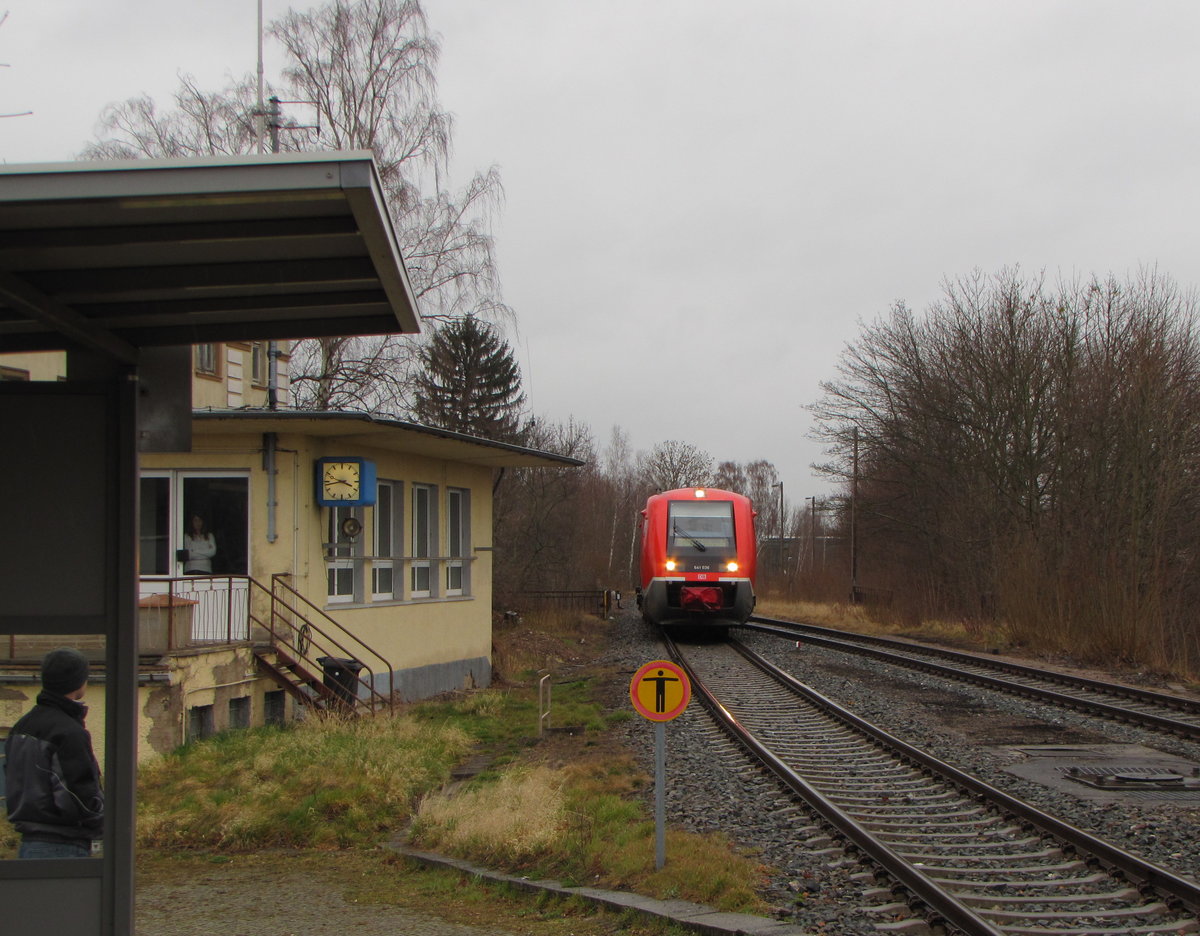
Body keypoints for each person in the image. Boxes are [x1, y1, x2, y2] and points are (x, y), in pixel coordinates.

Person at [4, 647, 104, 859]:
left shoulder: (21, 727)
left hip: (29, 843)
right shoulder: (68, 732)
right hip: (63, 845)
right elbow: (79, 793)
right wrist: (102, 821)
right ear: (79, 682)